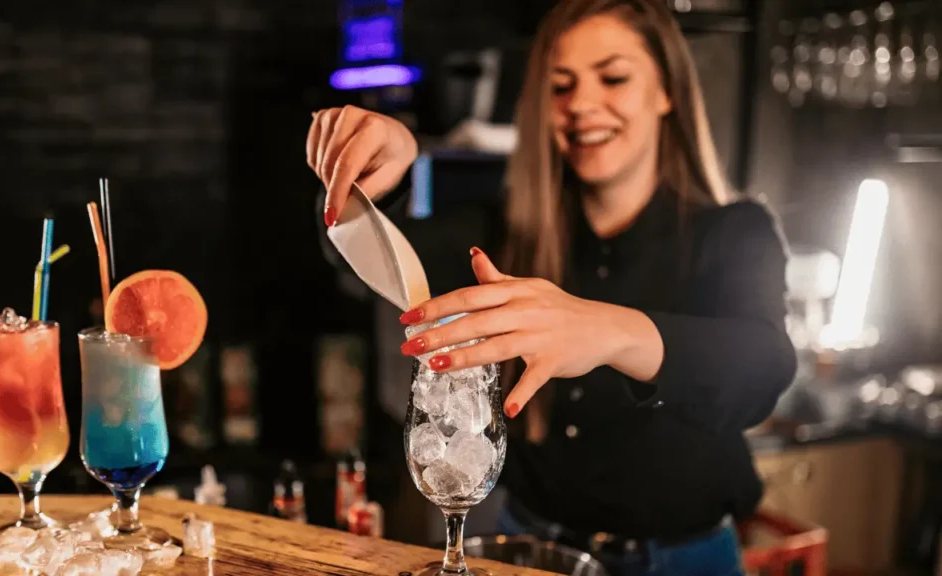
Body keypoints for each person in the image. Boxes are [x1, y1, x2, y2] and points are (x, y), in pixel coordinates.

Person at [306, 0, 797, 574]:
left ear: (667, 91)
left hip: (683, 561)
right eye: (561, 87)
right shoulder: (504, 231)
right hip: (531, 555)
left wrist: (611, 330)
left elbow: (763, 370)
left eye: (613, 77)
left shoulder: (734, 232)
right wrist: (370, 180)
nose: (582, 105)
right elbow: (359, 265)